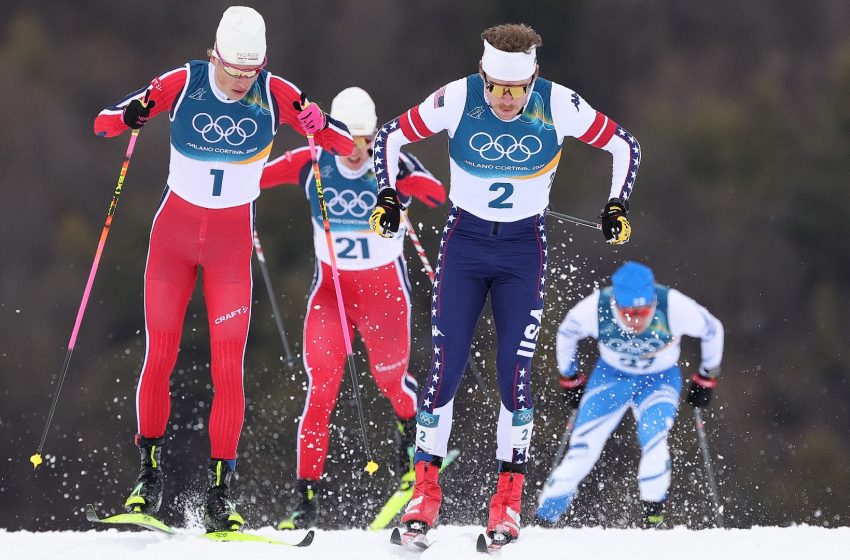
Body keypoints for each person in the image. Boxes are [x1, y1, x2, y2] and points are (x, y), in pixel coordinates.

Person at [367, 23, 641, 544]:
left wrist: (616, 205)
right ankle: (424, 496)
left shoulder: (559, 103)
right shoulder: (457, 99)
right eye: (495, 87)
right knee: (445, 370)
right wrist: (385, 195)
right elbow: (390, 135)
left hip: (522, 252)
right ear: (482, 76)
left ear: (533, 79)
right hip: (465, 246)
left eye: (516, 90)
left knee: (513, 376)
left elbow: (625, 146)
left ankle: (506, 506)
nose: (504, 100)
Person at [92, 6, 353, 532]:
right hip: (173, 240)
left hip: (230, 247)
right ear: (215, 56)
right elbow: (102, 123)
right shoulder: (182, 82)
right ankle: (148, 479)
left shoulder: (278, 92)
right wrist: (131, 115)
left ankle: (219, 496)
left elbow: (345, 144)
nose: (239, 83)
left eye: (249, 73)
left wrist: (318, 125)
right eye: (232, 71)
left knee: (227, 367)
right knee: (159, 354)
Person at [259, 86, 446, 529]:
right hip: (332, 295)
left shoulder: (390, 160)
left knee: (392, 382)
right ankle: (305, 500)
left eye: (365, 138)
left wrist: (405, 184)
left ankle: (410, 446)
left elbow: (437, 194)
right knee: (320, 391)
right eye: (348, 138)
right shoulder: (312, 162)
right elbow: (254, 177)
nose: (358, 150)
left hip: (385, 298)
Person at [535, 261, 724, 528]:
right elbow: (566, 332)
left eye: (643, 311)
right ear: (616, 304)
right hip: (611, 378)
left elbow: (713, 330)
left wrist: (706, 377)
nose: (635, 319)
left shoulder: (673, 305)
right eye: (627, 313)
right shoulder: (596, 307)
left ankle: (653, 519)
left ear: (652, 302)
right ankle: (545, 519)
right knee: (583, 448)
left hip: (659, 380)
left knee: (654, 436)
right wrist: (570, 378)